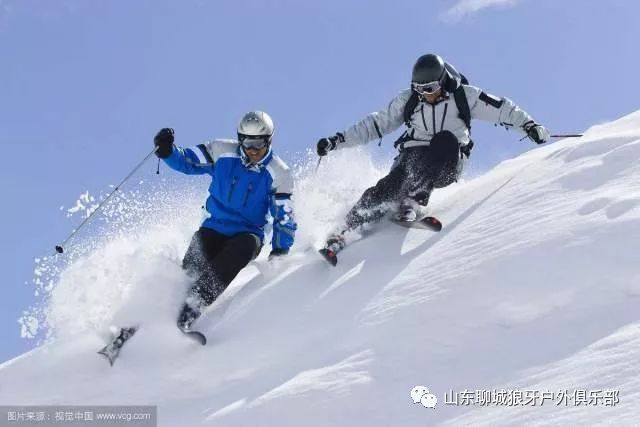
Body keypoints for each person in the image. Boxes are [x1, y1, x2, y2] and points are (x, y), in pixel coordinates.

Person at [316, 53, 549, 254]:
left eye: (430, 89)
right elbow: (375, 124)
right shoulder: (409, 100)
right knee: (390, 184)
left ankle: (413, 201)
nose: (425, 94)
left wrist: (529, 126)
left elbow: (502, 108)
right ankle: (344, 230)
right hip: (413, 157)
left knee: (444, 141)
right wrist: (337, 141)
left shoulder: (465, 97)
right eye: (419, 89)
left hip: (447, 162)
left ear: (442, 81)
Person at [154, 111, 297, 331]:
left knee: (238, 250)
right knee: (195, 260)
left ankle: (191, 311)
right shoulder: (222, 152)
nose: (253, 150)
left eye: (259, 143)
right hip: (213, 227)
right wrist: (168, 151)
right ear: (240, 139)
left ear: (269, 140)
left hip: (248, 234)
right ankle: (150, 318)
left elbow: (284, 216)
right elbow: (187, 160)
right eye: (248, 143)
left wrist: (280, 251)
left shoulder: (279, 173)